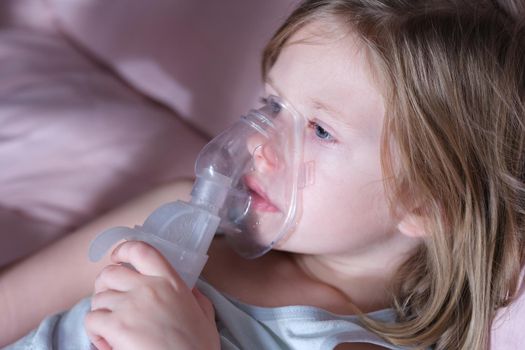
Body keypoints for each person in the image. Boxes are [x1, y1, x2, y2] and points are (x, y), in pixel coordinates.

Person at [4, 0, 525, 349]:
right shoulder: (173, 216)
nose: (257, 139)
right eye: (272, 102)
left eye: (320, 131)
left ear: (429, 203)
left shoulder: (344, 342)